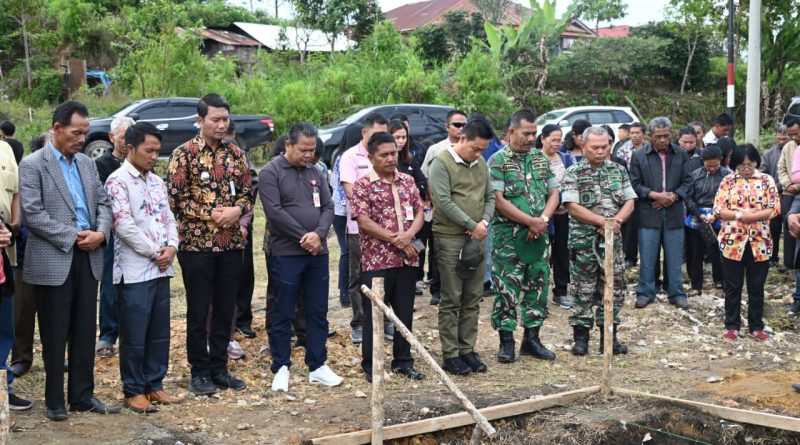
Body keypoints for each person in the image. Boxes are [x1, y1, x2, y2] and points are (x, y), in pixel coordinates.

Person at [19, 101, 118, 421]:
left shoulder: (88, 164)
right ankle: (54, 401)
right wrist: (74, 236)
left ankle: (82, 395)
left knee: (85, 329)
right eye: (76, 133)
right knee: (54, 331)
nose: (82, 139)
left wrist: (100, 233)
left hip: (89, 255)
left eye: (85, 133)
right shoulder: (34, 164)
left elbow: (103, 204)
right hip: (53, 257)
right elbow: (33, 214)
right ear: (57, 129)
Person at [166, 93, 252, 396]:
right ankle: (199, 372)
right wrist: (212, 214)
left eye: (225, 119)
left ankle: (219, 369)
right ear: (200, 120)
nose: (221, 124)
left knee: (225, 309)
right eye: (215, 119)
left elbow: (247, 192)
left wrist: (237, 210)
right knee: (199, 310)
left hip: (231, 245)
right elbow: (176, 200)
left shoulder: (236, 154)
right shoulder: (183, 154)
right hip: (196, 246)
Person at [105, 122, 184, 413]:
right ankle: (134, 390)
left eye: (156, 151)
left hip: (161, 267)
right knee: (135, 334)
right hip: (135, 269)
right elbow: (123, 225)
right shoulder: (117, 181)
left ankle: (154, 384)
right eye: (148, 150)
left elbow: (169, 218)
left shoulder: (157, 182)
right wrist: (154, 252)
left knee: (159, 331)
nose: (153, 156)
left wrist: (172, 247)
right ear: (130, 148)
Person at [260, 122, 342, 392]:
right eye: (303, 150)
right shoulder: (271, 172)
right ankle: (281, 366)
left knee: (317, 310)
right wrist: (304, 236)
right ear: (288, 145)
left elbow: (328, 206)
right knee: (283, 310)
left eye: (312, 150)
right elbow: (274, 211)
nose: (309, 155)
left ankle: (317, 364)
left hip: (317, 253)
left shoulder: (316, 171)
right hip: (287, 253)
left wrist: (318, 234)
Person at [352, 131, 425, 382]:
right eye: (384, 155)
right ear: (371, 158)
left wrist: (410, 235)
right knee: (375, 315)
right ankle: (372, 365)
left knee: (404, 313)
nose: (391, 158)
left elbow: (420, 211)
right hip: (377, 261)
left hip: (407, 258)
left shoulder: (407, 181)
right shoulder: (363, 185)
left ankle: (403, 361)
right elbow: (364, 221)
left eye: (393, 153)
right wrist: (396, 239)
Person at [490, 110, 559, 364]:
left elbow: (554, 193)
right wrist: (529, 221)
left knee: (538, 285)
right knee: (507, 288)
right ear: (511, 132)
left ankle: (532, 339)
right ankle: (506, 341)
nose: (531, 138)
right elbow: (498, 201)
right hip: (508, 237)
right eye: (526, 133)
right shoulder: (498, 161)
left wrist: (542, 220)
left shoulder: (541, 159)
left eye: (534, 133)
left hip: (538, 235)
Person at [428, 117, 496, 375]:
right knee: (452, 296)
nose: (478, 154)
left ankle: (467, 349)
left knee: (473, 296)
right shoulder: (441, 163)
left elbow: (490, 196)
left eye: (482, 150)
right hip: (450, 237)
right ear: (463, 138)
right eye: (475, 148)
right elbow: (442, 201)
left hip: (477, 237)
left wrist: (483, 222)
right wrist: (470, 223)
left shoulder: (481, 164)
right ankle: (451, 353)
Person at [562, 126, 636, 355]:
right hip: (583, 243)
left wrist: (616, 221)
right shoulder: (573, 173)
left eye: (605, 146)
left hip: (613, 242)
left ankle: (609, 338)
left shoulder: (618, 171)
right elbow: (572, 207)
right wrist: (602, 222)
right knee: (582, 289)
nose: (601, 151)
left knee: (613, 287)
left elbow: (630, 200)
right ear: (583, 146)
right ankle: (581, 339)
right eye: (595, 147)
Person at [713, 144, 779, 341]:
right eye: (742, 165)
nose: (746, 169)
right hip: (733, 241)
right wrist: (741, 215)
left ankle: (756, 326)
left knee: (756, 286)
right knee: (733, 286)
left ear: (756, 162)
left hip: (760, 241)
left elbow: (774, 208)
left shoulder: (766, 180)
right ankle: (732, 325)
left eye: (750, 164)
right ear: (735, 165)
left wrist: (754, 216)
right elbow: (719, 209)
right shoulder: (728, 181)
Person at [629, 117, 692, 310]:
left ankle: (676, 292)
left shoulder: (681, 154)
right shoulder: (639, 156)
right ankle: (645, 292)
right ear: (650, 136)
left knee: (674, 257)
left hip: (674, 212)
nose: (663, 140)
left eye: (666, 136)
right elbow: (634, 183)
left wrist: (673, 196)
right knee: (648, 256)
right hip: (649, 212)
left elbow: (688, 182)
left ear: (671, 134)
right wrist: (653, 195)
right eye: (658, 136)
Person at [340, 114, 389, 343]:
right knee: (358, 275)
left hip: (388, 230)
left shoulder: (388, 155)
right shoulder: (350, 157)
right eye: (376, 134)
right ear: (364, 133)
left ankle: (385, 319)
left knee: (386, 274)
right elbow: (352, 192)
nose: (381, 139)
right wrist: (380, 206)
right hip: (358, 228)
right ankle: (360, 323)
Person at [94, 116, 135, 358]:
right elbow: (103, 200)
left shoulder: (140, 162)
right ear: (111, 138)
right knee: (109, 284)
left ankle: (133, 332)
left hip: (137, 232)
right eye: (122, 137)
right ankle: (108, 335)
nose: (127, 141)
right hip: (112, 232)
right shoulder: (101, 164)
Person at [10, 132, 49, 378]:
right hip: (26, 254)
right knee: (22, 311)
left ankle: (54, 356)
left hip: (54, 256)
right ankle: (21, 358)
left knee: (53, 312)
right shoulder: (25, 175)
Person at [0, 128, 29, 411]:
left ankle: (3, 390)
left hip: (4, 257)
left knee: (3, 329)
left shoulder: (6, 150)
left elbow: (16, 193)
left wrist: (14, 226)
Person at [538, 124, 575, 309]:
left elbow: (573, 182)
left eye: (559, 140)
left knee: (562, 253)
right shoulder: (535, 158)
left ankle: (560, 291)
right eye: (553, 140)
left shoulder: (566, 158)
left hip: (563, 214)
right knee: (541, 254)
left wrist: (565, 200)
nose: (556, 143)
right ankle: (539, 294)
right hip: (542, 214)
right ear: (542, 139)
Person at [684, 146, 729, 295]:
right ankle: (696, 285)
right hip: (698, 216)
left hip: (719, 215)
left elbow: (730, 198)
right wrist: (698, 213)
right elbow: (688, 198)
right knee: (696, 252)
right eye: (708, 166)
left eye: (715, 165)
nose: (712, 169)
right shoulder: (695, 175)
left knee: (718, 251)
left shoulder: (727, 176)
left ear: (720, 161)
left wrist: (716, 213)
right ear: (702, 162)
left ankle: (720, 281)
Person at [389, 120, 428, 294]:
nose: (401, 141)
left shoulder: (409, 160)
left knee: (416, 247)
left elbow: (421, 182)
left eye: (404, 137)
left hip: (412, 215)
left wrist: (414, 190)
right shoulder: (386, 162)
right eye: (397, 137)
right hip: (392, 219)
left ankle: (413, 282)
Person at [330, 123, 362, 309]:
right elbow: (342, 189)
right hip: (343, 213)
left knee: (350, 253)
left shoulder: (340, 156)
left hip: (344, 211)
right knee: (347, 252)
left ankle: (348, 291)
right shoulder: (345, 158)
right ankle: (345, 292)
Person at [777, 118, 800, 311]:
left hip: (797, 190)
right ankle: (789, 263)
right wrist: (788, 184)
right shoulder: (790, 148)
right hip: (790, 191)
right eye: (790, 134)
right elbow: (782, 169)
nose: (793, 137)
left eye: (796, 134)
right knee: (790, 226)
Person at [760, 124, 790, 266]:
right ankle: (773, 257)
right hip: (773, 197)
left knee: (790, 228)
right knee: (774, 228)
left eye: (784, 139)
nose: (781, 141)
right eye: (779, 138)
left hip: (791, 194)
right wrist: (772, 187)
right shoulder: (769, 154)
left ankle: (790, 260)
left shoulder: (794, 151)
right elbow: (763, 174)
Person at [421, 110, 468, 177]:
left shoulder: (473, 150)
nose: (461, 128)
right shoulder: (435, 149)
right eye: (457, 125)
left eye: (465, 125)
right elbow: (425, 176)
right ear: (447, 127)